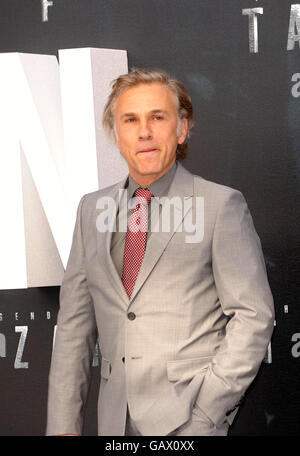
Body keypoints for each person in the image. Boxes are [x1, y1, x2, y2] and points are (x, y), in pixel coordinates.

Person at [46, 68, 275, 436]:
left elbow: (254, 317)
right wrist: (62, 428)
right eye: (130, 119)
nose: (144, 132)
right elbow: (74, 329)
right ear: (115, 133)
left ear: (181, 129)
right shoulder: (91, 210)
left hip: (190, 420)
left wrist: (205, 414)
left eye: (157, 117)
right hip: (114, 423)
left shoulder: (219, 205)